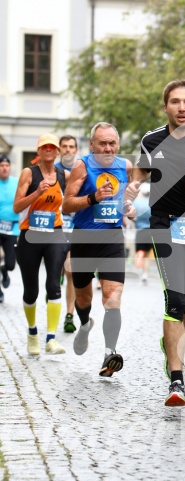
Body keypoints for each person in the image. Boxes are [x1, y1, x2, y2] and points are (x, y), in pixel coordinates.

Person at [133, 79, 185, 407]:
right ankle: (176, 380)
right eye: (175, 102)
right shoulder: (152, 139)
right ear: (165, 106)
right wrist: (131, 190)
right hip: (164, 226)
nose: (182, 107)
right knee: (175, 301)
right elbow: (140, 173)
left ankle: (171, 347)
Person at [62, 122, 139, 377]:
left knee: (113, 298)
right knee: (84, 299)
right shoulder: (82, 167)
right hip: (84, 239)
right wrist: (92, 197)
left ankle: (109, 354)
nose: (107, 148)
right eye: (102, 143)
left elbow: (124, 200)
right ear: (92, 144)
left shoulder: (125, 167)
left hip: (112, 239)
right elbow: (66, 206)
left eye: (112, 143)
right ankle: (85, 325)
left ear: (118, 145)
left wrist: (128, 209)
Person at [13, 134, 69, 355]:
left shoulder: (63, 176)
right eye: (44, 146)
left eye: (52, 147)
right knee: (31, 290)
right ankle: (32, 334)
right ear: (38, 151)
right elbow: (17, 206)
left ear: (57, 152)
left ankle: (51, 339)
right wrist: (36, 193)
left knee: (54, 285)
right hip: (30, 235)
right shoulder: (29, 173)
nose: (48, 149)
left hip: (54, 233)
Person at [55, 135, 78, 333]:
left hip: (76, 228)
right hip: (56, 229)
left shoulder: (82, 171)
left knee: (71, 271)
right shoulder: (52, 172)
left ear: (76, 150)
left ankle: (69, 315)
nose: (68, 150)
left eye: (72, 147)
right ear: (59, 149)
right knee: (57, 272)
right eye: (65, 147)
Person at [0, 155, 19, 303]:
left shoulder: (17, 183)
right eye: (1, 165)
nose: (4, 168)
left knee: (11, 264)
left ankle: (5, 271)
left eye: (6, 165)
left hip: (12, 228)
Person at [132, 183, 152, 284]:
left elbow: (132, 216)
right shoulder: (152, 203)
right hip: (151, 231)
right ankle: (145, 273)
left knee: (140, 252)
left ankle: (139, 269)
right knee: (147, 254)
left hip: (140, 231)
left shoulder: (137, 202)